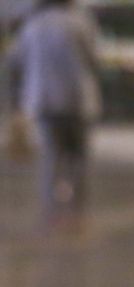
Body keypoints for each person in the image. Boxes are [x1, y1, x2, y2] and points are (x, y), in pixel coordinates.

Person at [4, 0, 98, 228]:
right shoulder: (80, 22)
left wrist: (15, 102)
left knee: (51, 159)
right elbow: (93, 59)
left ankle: (52, 213)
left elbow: (14, 63)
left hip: (44, 101)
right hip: (77, 100)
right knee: (78, 159)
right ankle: (77, 213)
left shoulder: (32, 26)